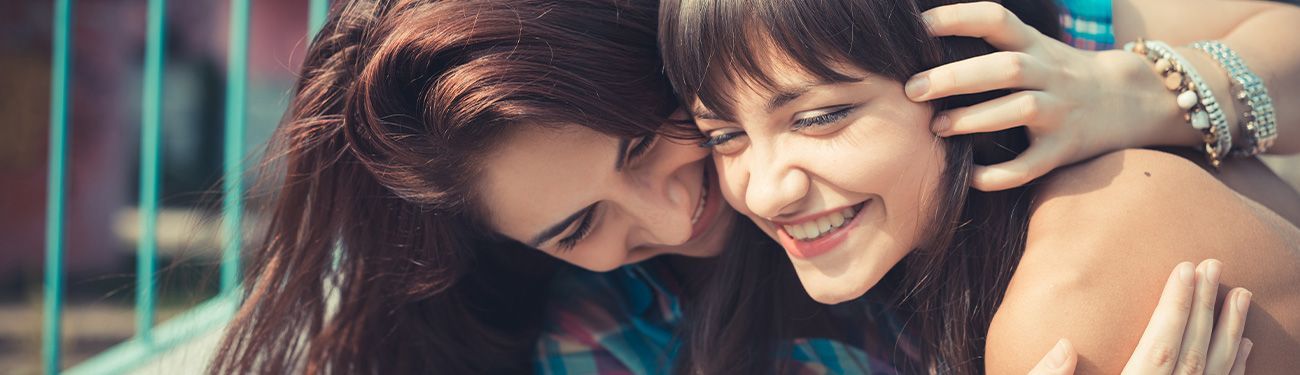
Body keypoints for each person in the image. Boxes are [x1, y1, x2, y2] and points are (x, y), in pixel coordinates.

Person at [207, 0, 1278, 373]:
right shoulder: (607, 333)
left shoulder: (943, 56)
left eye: (647, 143)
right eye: (578, 226)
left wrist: (1146, 92)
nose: (680, 214)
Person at [657, 0, 1300, 373]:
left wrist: (1139, 88)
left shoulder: (1068, 304)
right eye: (723, 136)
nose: (766, 193)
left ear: (970, 71)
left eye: (820, 117)